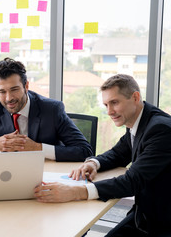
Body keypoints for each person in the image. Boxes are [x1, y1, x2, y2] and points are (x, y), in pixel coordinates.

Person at [34, 74, 171, 236]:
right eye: (106, 104)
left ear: (135, 97)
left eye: (114, 103)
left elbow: (132, 182)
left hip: (161, 222)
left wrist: (75, 191)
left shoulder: (161, 130)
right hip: (145, 214)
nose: (109, 111)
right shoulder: (139, 120)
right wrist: (93, 163)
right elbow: (118, 154)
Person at [0, 58, 92, 161]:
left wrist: (37, 148)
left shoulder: (52, 109)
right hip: (6, 175)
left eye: (14, 89)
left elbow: (84, 150)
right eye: (2, 92)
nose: (8, 98)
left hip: (45, 174)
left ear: (26, 86)